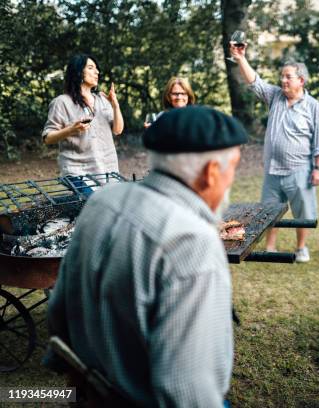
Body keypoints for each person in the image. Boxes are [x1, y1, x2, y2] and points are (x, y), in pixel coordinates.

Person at [44, 106, 247, 407]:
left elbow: (58, 310)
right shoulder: (191, 241)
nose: (231, 179)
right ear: (211, 173)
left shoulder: (102, 201)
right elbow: (187, 391)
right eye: (233, 168)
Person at [229, 42, 319, 263]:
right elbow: (255, 82)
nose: (283, 80)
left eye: (288, 77)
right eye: (282, 76)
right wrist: (240, 58)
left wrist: (318, 169)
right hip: (273, 170)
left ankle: (301, 248)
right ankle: (270, 248)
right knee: (268, 211)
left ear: (300, 80)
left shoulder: (313, 106)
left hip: (300, 170)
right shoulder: (275, 96)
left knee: (303, 213)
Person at [42, 54, 124, 193]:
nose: (97, 72)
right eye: (91, 68)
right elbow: (47, 138)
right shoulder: (61, 102)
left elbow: (118, 130)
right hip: (77, 172)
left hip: (107, 169)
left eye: (97, 69)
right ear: (79, 72)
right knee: (95, 204)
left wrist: (115, 105)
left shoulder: (102, 100)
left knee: (113, 207)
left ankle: (64, 206)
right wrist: (70, 130)